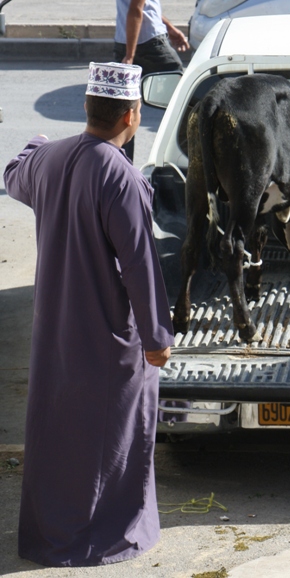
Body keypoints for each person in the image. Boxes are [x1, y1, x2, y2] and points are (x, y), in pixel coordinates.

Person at [3, 62, 174, 567]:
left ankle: (50, 537)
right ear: (132, 114)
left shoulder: (49, 161)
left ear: (86, 106)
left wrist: (34, 143)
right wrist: (156, 337)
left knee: (58, 434)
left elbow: (14, 174)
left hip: (53, 331)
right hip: (106, 337)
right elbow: (141, 265)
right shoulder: (122, 178)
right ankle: (105, 539)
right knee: (112, 437)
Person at [111, 0, 189, 158]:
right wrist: (132, 57)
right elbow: (136, 9)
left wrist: (171, 28)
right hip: (146, 44)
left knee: (126, 110)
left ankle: (121, 168)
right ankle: (185, 158)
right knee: (186, 92)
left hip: (123, 39)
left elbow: (144, 5)